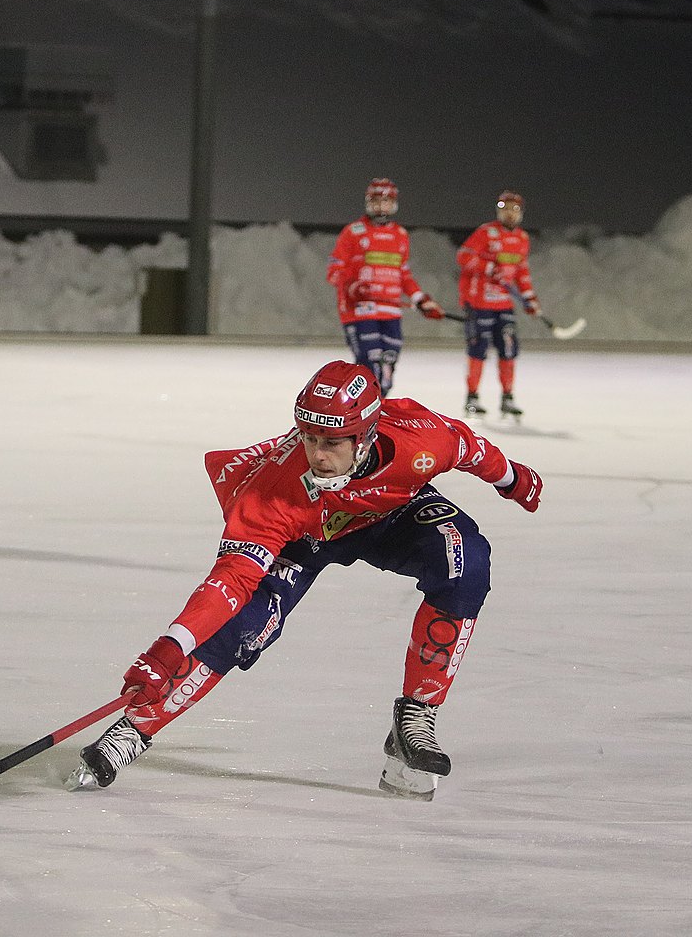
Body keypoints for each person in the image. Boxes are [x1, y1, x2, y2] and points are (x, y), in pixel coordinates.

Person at [69, 360, 543, 801]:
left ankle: (416, 717)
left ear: (366, 435)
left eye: (332, 443)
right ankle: (133, 730)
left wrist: (512, 480)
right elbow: (229, 581)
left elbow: (471, 447)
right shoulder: (274, 488)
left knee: (466, 562)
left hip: (389, 512)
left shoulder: (420, 442)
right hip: (306, 532)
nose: (317, 454)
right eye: (308, 437)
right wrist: (170, 645)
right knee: (242, 627)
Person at [326, 178, 445, 396]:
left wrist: (420, 299)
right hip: (360, 311)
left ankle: (375, 412)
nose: (381, 207)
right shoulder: (354, 232)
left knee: (388, 366)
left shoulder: (400, 235)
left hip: (390, 312)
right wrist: (351, 286)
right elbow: (333, 271)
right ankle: (361, 414)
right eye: (376, 201)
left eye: (386, 201)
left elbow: (404, 275)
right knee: (369, 366)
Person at [455, 190, 541, 421]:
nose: (509, 214)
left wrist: (529, 298)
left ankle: (507, 398)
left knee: (508, 350)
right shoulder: (486, 232)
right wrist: (489, 268)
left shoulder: (522, 239)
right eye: (505, 209)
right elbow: (463, 257)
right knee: (478, 350)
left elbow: (521, 272)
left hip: (504, 304)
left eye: (514, 210)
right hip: (479, 302)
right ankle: (472, 397)